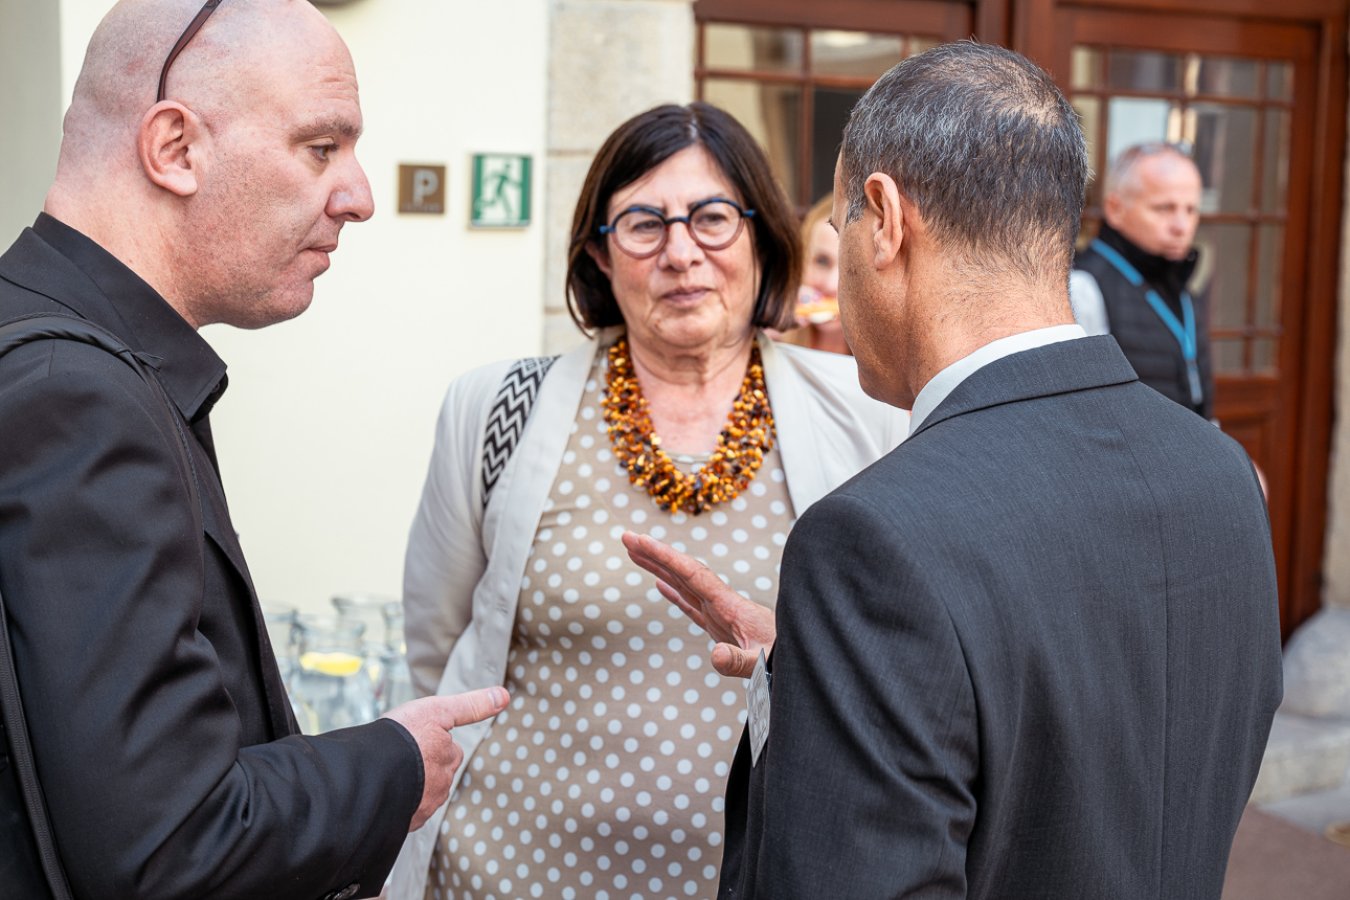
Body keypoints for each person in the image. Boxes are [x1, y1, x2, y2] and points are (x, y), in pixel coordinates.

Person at [625, 41, 1282, 899]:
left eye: (840, 235)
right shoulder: (1223, 475)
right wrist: (825, 675)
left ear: (886, 219)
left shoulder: (874, 540)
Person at [0, 2, 507, 898]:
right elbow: (168, 845)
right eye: (320, 147)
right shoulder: (77, 396)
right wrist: (390, 764)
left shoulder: (50, 347)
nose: (359, 197)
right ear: (175, 149)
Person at [392, 102, 907, 900]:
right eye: (642, 224)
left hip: (759, 878)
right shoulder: (496, 409)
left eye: (712, 218)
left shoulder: (871, 414)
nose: (681, 253)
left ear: (763, 238)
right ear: (600, 255)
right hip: (502, 868)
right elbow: (438, 644)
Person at [1070, 143, 1214, 418]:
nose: (1181, 226)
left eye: (1191, 210)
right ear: (1115, 208)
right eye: (1164, 208)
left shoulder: (1178, 280)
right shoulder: (1083, 288)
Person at [777, 196, 849, 355]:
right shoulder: (770, 340)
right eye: (822, 261)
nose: (831, 285)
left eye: (851, 266)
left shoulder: (890, 366)